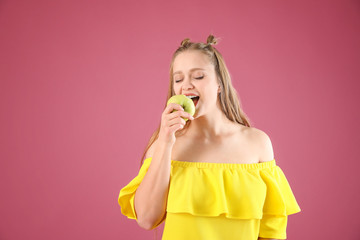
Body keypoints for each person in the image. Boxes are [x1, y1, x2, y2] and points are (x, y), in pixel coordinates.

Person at [117, 35, 301, 240]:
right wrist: (165, 142)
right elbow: (146, 219)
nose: (186, 85)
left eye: (198, 76)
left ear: (219, 84)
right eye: (178, 79)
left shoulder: (257, 144)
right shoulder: (164, 145)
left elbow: (271, 231)